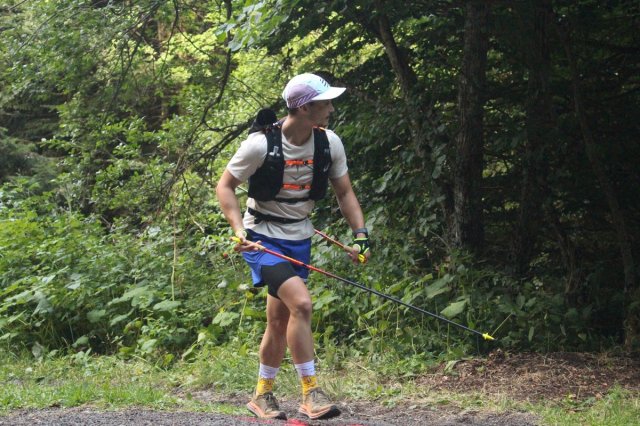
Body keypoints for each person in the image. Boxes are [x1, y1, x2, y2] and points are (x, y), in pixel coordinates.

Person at [216, 73, 371, 420]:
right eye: (325, 103)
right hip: (262, 239)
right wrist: (240, 231)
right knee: (301, 304)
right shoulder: (260, 145)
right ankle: (310, 393)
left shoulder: (329, 143)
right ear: (304, 108)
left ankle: (262, 396)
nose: (331, 108)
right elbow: (225, 186)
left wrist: (360, 236)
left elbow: (345, 192)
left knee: (278, 319)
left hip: (299, 237)